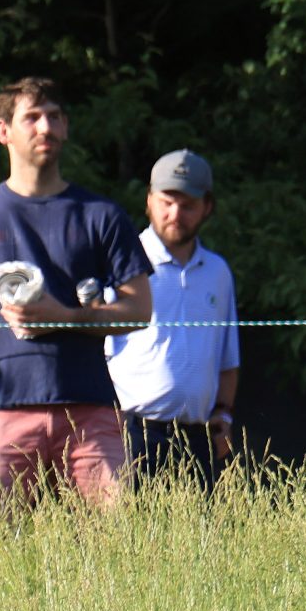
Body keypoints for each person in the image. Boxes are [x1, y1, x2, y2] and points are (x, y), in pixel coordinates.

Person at [0, 77, 153, 509]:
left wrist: (67, 316)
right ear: (3, 131)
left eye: (54, 117)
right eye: (32, 117)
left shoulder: (101, 215)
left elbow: (140, 310)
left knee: (113, 556)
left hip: (89, 407)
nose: (45, 128)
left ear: (67, 128)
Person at [104, 149, 241, 487]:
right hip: (130, 433)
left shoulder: (217, 272)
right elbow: (95, 345)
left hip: (199, 439)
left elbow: (227, 357)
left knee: (199, 540)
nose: (175, 213)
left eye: (188, 205)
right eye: (167, 201)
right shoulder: (122, 262)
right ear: (149, 201)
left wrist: (223, 412)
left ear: (207, 207)